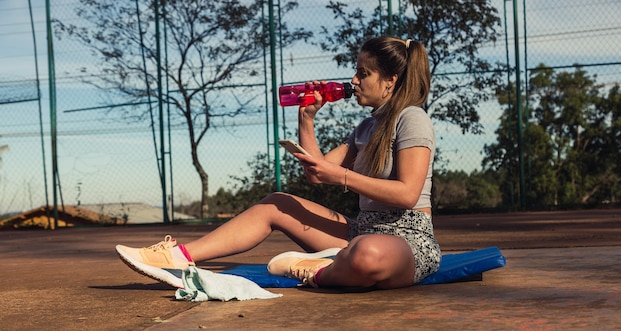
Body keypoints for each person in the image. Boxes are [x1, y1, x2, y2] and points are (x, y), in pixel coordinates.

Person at [116, 36, 441, 290]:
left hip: (407, 238)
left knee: (368, 254)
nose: (353, 80)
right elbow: (318, 173)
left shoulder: (412, 119)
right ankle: (177, 257)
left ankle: (321, 271)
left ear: (390, 81)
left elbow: (407, 193)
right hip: (360, 229)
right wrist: (307, 120)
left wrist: (341, 176)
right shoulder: (366, 127)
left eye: (363, 73)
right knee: (276, 204)